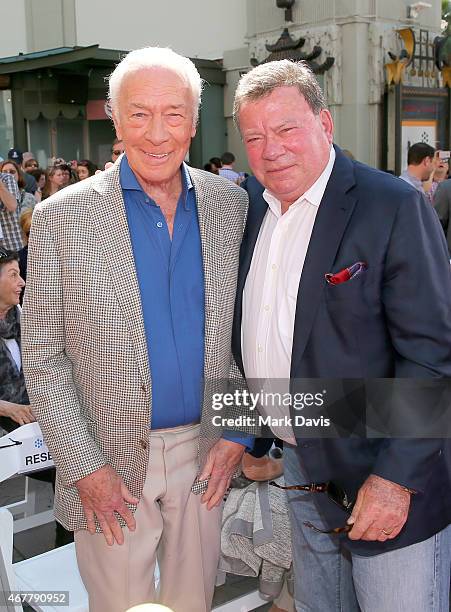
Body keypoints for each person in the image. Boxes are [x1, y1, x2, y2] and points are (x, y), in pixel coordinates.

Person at [22, 46, 249, 612]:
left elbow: (250, 334)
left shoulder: (231, 203)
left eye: (173, 114)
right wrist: (84, 467)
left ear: (194, 122)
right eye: (139, 113)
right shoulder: (62, 215)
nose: (156, 133)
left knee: (194, 602)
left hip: (206, 452)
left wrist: (238, 433)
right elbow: (44, 357)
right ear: (115, 118)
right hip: (109, 462)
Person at [232, 59, 451, 611]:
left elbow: (433, 357)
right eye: (254, 137)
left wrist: (394, 480)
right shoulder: (256, 214)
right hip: (302, 465)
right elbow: (272, 336)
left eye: (285, 129)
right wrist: (246, 432)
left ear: (325, 125)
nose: (270, 149)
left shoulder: (391, 206)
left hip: (383, 473)